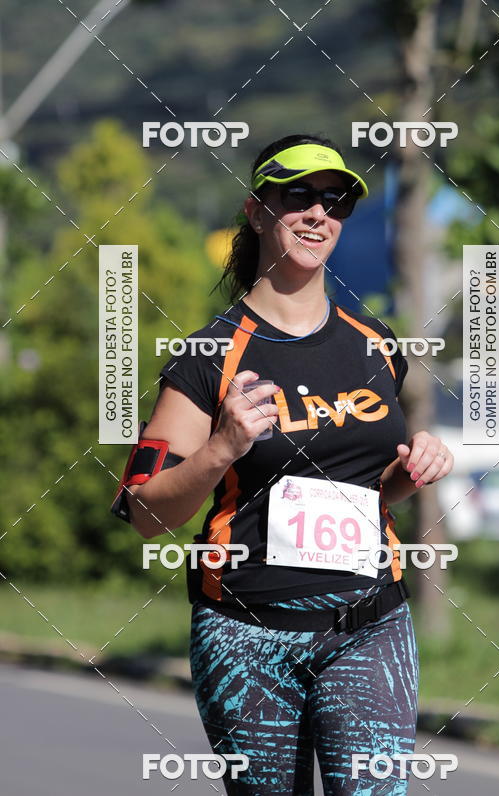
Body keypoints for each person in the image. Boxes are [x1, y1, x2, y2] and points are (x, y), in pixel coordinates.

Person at [113, 133, 454, 795]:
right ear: (256, 209)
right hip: (247, 636)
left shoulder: (376, 345)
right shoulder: (210, 357)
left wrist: (407, 479)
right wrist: (221, 448)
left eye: (335, 200)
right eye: (297, 195)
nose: (318, 212)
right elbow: (144, 513)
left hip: (368, 623)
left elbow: (367, 490)